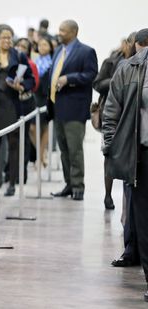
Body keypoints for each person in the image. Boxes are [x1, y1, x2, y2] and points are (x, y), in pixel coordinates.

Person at [103, 28, 148, 302]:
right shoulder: (130, 67)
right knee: (142, 217)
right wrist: (111, 144)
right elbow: (112, 109)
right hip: (141, 154)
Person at [0, 25, 35, 197]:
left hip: (12, 104)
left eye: (9, 37)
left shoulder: (18, 56)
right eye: (3, 37)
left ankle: (12, 183)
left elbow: (31, 79)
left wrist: (22, 86)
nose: (7, 40)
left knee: (13, 144)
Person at [48, 20, 98, 201]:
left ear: (74, 32)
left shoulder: (86, 51)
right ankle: (68, 184)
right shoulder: (59, 52)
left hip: (75, 110)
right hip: (58, 108)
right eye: (59, 29)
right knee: (63, 150)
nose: (59, 33)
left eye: (63, 30)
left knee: (74, 150)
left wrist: (69, 78)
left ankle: (78, 187)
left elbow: (91, 75)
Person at [93, 34, 136, 210]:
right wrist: (119, 80)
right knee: (108, 154)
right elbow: (97, 84)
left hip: (132, 115)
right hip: (112, 115)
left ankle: (129, 198)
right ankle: (108, 195)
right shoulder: (110, 62)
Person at [31, 36, 54, 168]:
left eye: (45, 45)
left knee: (44, 127)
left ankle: (40, 158)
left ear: (50, 47)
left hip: (46, 98)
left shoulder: (52, 62)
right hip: (35, 97)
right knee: (32, 129)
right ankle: (41, 153)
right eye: (40, 45)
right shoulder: (36, 61)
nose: (42, 47)